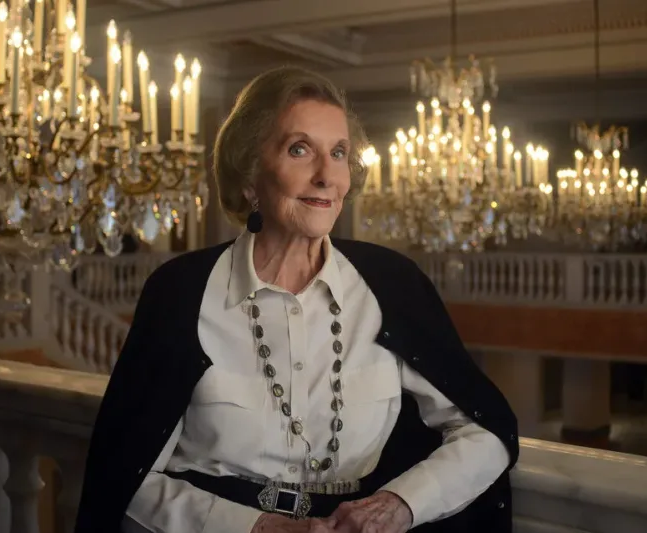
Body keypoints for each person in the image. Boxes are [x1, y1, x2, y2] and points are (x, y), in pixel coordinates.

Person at [74, 66, 519, 533]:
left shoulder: (392, 284)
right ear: (249, 174)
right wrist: (259, 527)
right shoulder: (180, 293)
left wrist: (398, 504)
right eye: (300, 149)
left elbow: (486, 431)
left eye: (340, 152)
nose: (327, 176)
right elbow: (126, 478)